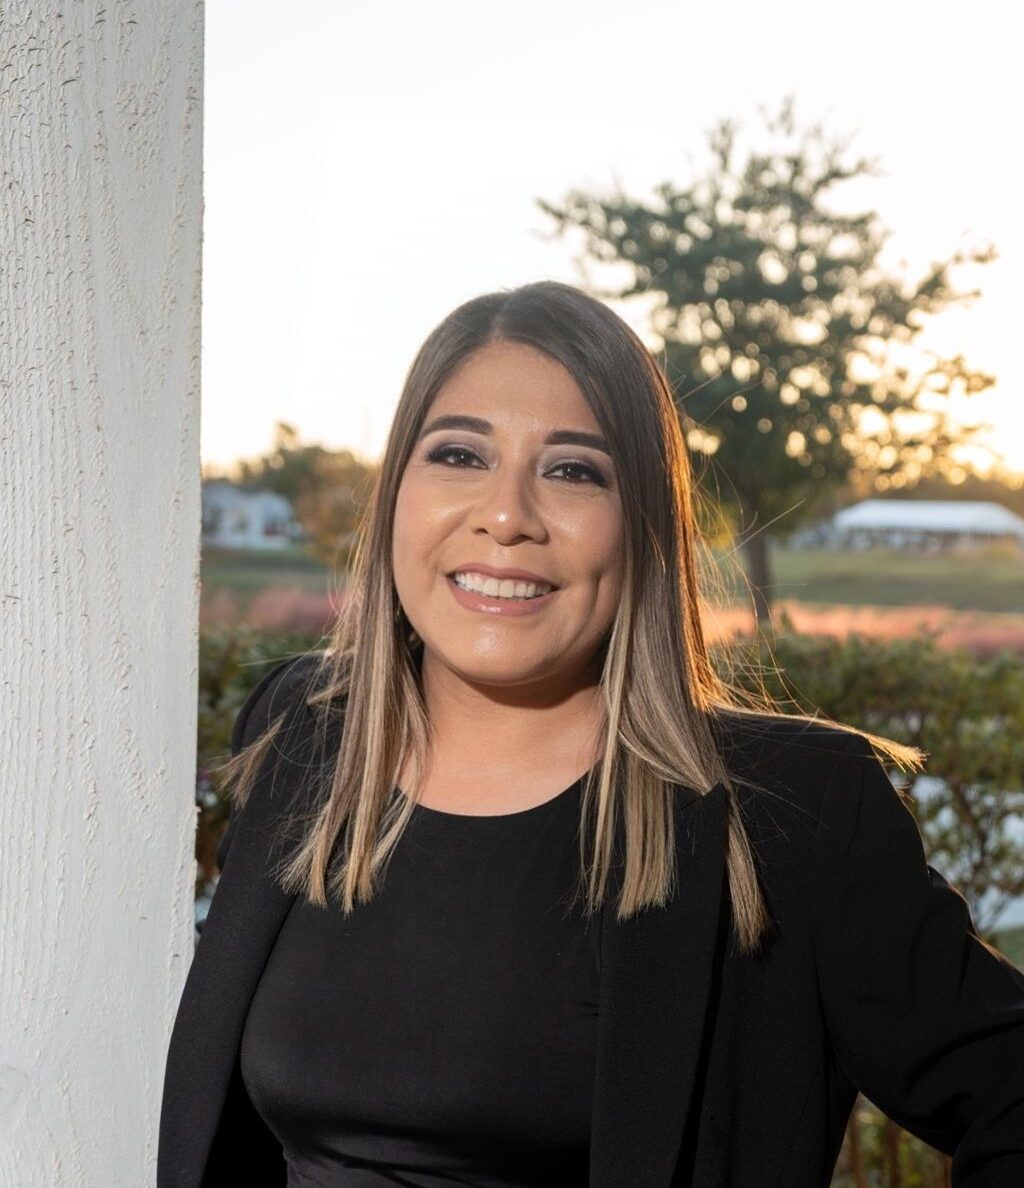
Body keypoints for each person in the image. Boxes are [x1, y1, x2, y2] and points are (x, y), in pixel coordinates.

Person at [158, 280, 1024, 1187]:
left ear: (643, 526)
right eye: (458, 454)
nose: (506, 515)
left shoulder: (790, 814)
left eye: (574, 470)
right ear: (395, 497)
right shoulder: (302, 736)